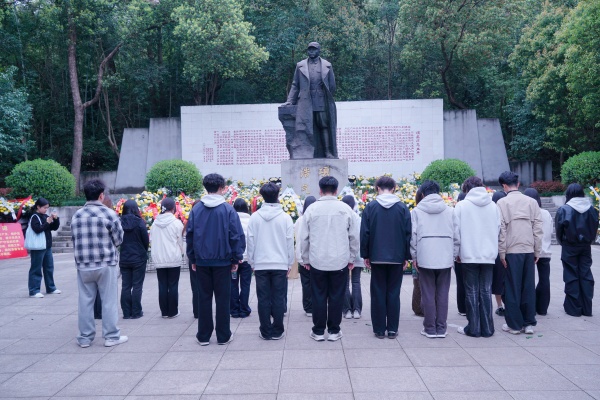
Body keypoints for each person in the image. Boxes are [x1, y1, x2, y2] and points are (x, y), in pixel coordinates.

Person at [186, 173, 245, 346]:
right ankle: (223, 335)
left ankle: (203, 336)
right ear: (221, 188)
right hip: (223, 261)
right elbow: (235, 236)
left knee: (203, 298)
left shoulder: (196, 209)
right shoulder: (228, 210)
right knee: (222, 299)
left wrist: (193, 258)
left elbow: (190, 235)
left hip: (202, 261)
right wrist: (236, 258)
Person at [300, 176, 358, 342]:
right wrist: (352, 257)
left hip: (317, 260)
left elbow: (304, 238)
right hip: (339, 261)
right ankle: (334, 331)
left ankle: (318, 331)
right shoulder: (346, 209)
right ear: (336, 190)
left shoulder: (311, 209)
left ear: (320, 190)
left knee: (318, 296)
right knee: (336, 296)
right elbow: (354, 237)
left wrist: (305, 259)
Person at [71, 179, 127, 348]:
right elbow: (119, 239)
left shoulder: (77, 215)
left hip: (83, 264)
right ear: (101, 195)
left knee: (85, 301)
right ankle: (111, 336)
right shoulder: (109, 214)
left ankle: (85, 338)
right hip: (105, 262)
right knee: (108, 301)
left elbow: (74, 239)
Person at [360, 176, 411, 339]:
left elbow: (365, 233)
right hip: (397, 257)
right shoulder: (402, 208)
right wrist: (406, 256)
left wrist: (365, 254)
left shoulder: (371, 207)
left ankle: (379, 329)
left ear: (377, 188)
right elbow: (407, 234)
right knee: (394, 293)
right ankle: (393, 329)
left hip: (377, 256)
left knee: (378, 293)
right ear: (394, 188)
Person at [410, 180, 458, 338]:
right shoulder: (450, 211)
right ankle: (441, 328)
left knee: (428, 293)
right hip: (445, 256)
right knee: (443, 293)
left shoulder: (417, 211)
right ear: (438, 193)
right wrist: (453, 255)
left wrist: (414, 256)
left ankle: (430, 328)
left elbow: (413, 237)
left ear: (423, 194)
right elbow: (457, 237)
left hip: (425, 256)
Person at [496, 171, 543, 335]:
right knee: (528, 286)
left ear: (504, 186)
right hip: (528, 249)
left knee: (512, 288)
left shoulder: (502, 203)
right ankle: (529, 323)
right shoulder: (531, 202)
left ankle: (515, 325)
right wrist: (537, 250)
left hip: (511, 250)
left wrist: (502, 253)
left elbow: (502, 230)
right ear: (518, 184)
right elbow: (538, 228)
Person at [455, 176, 501, 338]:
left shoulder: (461, 206)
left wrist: (457, 253)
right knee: (486, 291)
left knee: (471, 291)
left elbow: (456, 232)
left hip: (468, 254)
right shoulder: (493, 206)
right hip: (488, 255)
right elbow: (498, 229)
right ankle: (487, 328)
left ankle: (473, 328)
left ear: (466, 189)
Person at [247, 183, 294, 340]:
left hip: (261, 263)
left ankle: (265, 331)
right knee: (278, 297)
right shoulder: (285, 218)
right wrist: (289, 263)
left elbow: (250, 242)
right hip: (280, 263)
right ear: (278, 195)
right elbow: (289, 242)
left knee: (263, 298)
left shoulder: (255, 217)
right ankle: (278, 330)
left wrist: (252, 262)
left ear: (262, 197)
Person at [282, 42, 337, 159]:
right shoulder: (300, 65)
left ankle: (327, 152)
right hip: (305, 101)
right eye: (310, 49)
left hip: (321, 100)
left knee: (323, 125)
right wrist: (290, 100)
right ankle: (305, 153)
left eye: (314, 49)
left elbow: (332, 86)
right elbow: (295, 85)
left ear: (319, 51)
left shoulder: (327, 65)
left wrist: (324, 96)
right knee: (305, 126)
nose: (311, 51)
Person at [555, 183, 599, 317]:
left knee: (571, 276)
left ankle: (574, 308)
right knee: (586, 275)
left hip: (569, 246)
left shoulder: (564, 209)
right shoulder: (591, 209)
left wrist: (563, 243)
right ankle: (587, 308)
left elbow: (559, 231)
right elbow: (594, 228)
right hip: (585, 246)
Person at [151, 198, 184, 318]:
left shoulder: (155, 224)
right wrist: (182, 252)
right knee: (173, 285)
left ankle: (164, 311)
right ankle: (173, 311)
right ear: (173, 208)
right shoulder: (176, 223)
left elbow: (152, 240)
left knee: (162, 285)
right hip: (173, 257)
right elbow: (180, 241)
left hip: (159, 258)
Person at [523, 188, 553, 316]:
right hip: (545, 250)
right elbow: (550, 230)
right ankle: (543, 308)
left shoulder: (527, 213)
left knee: (528, 280)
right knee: (544, 279)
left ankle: (530, 307)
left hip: (530, 251)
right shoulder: (546, 213)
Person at [118, 200, 149, 319]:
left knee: (125, 285)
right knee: (137, 285)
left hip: (124, 257)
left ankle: (126, 312)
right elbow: (145, 240)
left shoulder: (119, 222)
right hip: (138, 257)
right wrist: (143, 251)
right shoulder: (140, 222)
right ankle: (136, 311)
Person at [27, 198, 61, 298]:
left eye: (47, 208)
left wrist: (56, 219)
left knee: (49, 267)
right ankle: (34, 290)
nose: (46, 210)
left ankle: (51, 288)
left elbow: (54, 228)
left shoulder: (45, 216)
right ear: (38, 207)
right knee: (36, 268)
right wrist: (47, 222)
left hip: (47, 246)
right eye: (45, 208)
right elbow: (37, 229)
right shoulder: (34, 217)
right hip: (38, 247)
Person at [341, 195, 364, 319]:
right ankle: (357, 310)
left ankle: (347, 310)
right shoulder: (358, 218)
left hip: (343, 254)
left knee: (344, 283)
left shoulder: (341, 218)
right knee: (356, 282)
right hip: (358, 253)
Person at [294, 196, 317, 317]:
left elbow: (298, 238)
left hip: (302, 255)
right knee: (316, 283)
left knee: (306, 283)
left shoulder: (299, 220)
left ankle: (308, 307)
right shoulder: (315, 218)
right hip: (314, 256)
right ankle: (316, 305)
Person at [231, 198, 253, 318]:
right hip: (247, 258)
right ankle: (244, 309)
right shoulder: (251, 221)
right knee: (245, 284)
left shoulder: (230, 219)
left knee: (233, 284)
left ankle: (234, 309)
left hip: (233, 259)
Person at [185, 199, 202, 319]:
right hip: (203, 257)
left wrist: (191, 257)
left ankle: (197, 311)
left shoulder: (190, 221)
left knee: (195, 286)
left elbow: (188, 240)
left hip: (194, 257)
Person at [491, 191, 507, 316]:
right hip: (508, 250)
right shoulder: (507, 212)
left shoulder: (492, 213)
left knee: (497, 279)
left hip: (495, 251)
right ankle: (508, 304)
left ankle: (499, 305)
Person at [411, 188, 425, 317]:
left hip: (418, 251)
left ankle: (418, 307)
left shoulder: (415, 212)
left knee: (418, 282)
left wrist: (413, 255)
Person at [454, 192, 467, 316]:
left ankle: (462, 308)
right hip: (472, 251)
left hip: (460, 253)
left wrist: (455, 252)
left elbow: (455, 233)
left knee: (460, 282)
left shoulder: (457, 211)